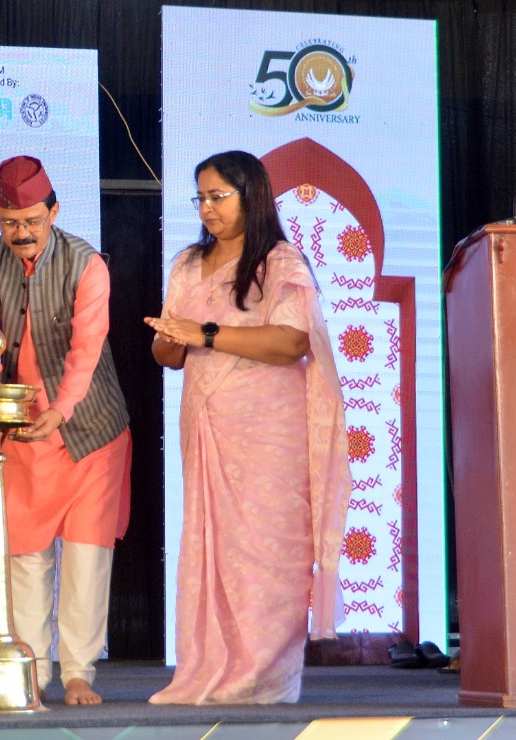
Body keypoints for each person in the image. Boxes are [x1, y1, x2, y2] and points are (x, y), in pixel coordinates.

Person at [145, 150, 352, 705]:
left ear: (251, 196)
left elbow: (291, 342)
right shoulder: (189, 264)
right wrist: (169, 339)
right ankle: (206, 670)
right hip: (208, 426)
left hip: (269, 435)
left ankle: (263, 678)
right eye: (201, 198)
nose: (207, 209)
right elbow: (169, 354)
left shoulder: (280, 262)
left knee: (267, 552)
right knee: (213, 551)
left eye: (218, 197)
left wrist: (206, 333)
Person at [0, 156, 133, 706]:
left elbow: (86, 349)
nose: (22, 233)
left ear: (54, 212)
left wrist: (60, 410)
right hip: (20, 432)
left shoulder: (87, 264)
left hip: (89, 432)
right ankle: (31, 673)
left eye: (33, 221)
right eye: (10, 222)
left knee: (86, 555)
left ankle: (79, 672)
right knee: (26, 558)